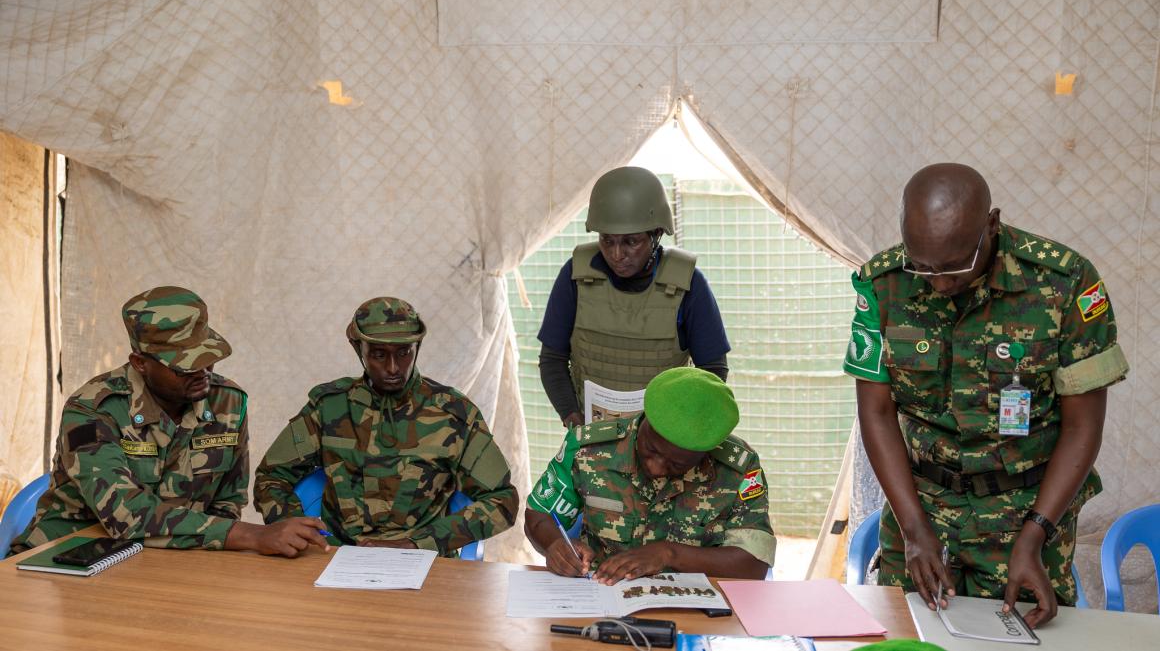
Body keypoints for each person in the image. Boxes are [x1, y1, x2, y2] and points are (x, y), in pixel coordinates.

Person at [843, 163, 1129, 628]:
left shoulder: (1065, 283)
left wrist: (1035, 535)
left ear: (991, 224)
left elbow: (1083, 427)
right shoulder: (883, 283)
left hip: (1026, 515)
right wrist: (913, 529)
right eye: (923, 266)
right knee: (907, 638)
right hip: (920, 512)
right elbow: (876, 412)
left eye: (954, 266)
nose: (938, 282)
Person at [9, 286, 327, 557]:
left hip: (168, 558)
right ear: (140, 363)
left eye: (207, 358)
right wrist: (252, 535)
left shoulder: (228, 403)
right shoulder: (91, 410)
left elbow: (227, 501)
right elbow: (125, 514)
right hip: (66, 556)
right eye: (185, 366)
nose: (203, 372)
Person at [254, 297, 519, 556]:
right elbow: (271, 476)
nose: (393, 368)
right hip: (336, 557)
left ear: (417, 347)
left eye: (404, 353)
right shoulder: (329, 408)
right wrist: (299, 529)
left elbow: (502, 500)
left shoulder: (452, 414)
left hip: (423, 561)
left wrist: (419, 544)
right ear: (358, 348)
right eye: (379, 355)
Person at [525, 366, 774, 583]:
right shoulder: (589, 448)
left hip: (694, 606)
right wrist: (554, 545)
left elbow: (753, 565)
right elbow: (538, 515)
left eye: (676, 465)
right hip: (603, 595)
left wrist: (669, 554)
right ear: (645, 420)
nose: (656, 468)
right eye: (650, 450)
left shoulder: (737, 468)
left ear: (706, 453)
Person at [537, 166, 731, 428]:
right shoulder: (576, 275)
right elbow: (552, 359)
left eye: (631, 242)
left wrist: (680, 426)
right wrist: (572, 418)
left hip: (665, 434)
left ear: (656, 234)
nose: (617, 254)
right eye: (607, 240)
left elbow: (713, 371)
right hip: (591, 432)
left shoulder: (688, 284)